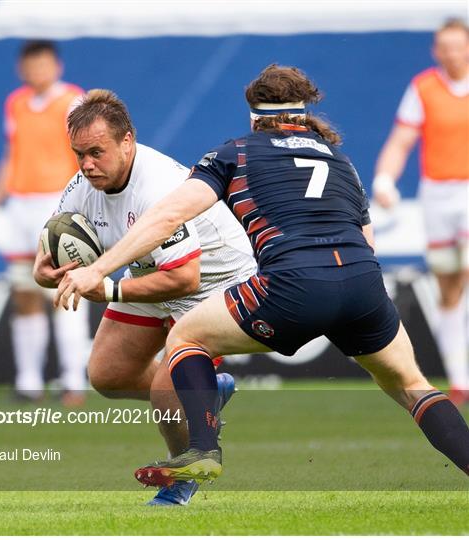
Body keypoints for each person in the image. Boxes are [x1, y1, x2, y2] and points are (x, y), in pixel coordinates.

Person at [55, 65, 469, 485]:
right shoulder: (341, 162)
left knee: (185, 338)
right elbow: (367, 241)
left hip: (293, 284)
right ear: (304, 116)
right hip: (363, 285)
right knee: (413, 385)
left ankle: (203, 450)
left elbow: (168, 215)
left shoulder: (235, 153)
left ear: (254, 115)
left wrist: (101, 272)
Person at [33, 89, 257, 504]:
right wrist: (42, 271)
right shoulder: (82, 184)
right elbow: (52, 248)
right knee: (107, 374)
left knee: (164, 398)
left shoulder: (157, 188)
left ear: (127, 141)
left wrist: (109, 288)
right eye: (78, 153)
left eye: (96, 152)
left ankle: (182, 475)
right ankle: (206, 394)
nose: (86, 164)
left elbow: (185, 278)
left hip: (214, 284)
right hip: (151, 271)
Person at [0, 41, 89, 406]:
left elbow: (85, 155)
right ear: (21, 69)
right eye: (30, 65)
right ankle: (28, 380)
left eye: (43, 63)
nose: (36, 71)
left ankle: (73, 379)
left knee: (64, 293)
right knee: (24, 294)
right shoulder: (16, 103)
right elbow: (11, 156)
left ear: (56, 66)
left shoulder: (73, 101)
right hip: (19, 206)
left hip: (57, 202)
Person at [373, 19, 469, 406]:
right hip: (437, 196)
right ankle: (460, 379)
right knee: (449, 289)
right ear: (436, 51)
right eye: (445, 47)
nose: (452, 53)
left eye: (459, 46)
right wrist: (384, 179)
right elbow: (401, 140)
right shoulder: (424, 88)